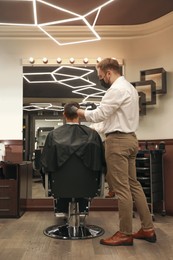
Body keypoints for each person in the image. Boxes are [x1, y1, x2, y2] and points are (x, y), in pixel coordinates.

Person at [75, 58, 156, 246]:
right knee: (134, 185)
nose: (101, 79)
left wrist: (78, 111)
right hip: (131, 139)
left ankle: (125, 233)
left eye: (101, 76)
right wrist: (93, 128)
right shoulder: (130, 88)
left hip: (118, 142)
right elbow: (108, 120)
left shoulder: (116, 89)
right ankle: (148, 228)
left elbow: (99, 114)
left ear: (109, 72)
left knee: (122, 189)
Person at [40, 102, 106, 208]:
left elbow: (45, 164)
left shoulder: (53, 135)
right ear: (79, 114)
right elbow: (102, 163)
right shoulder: (93, 135)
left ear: (64, 114)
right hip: (88, 186)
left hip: (59, 186)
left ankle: (62, 207)